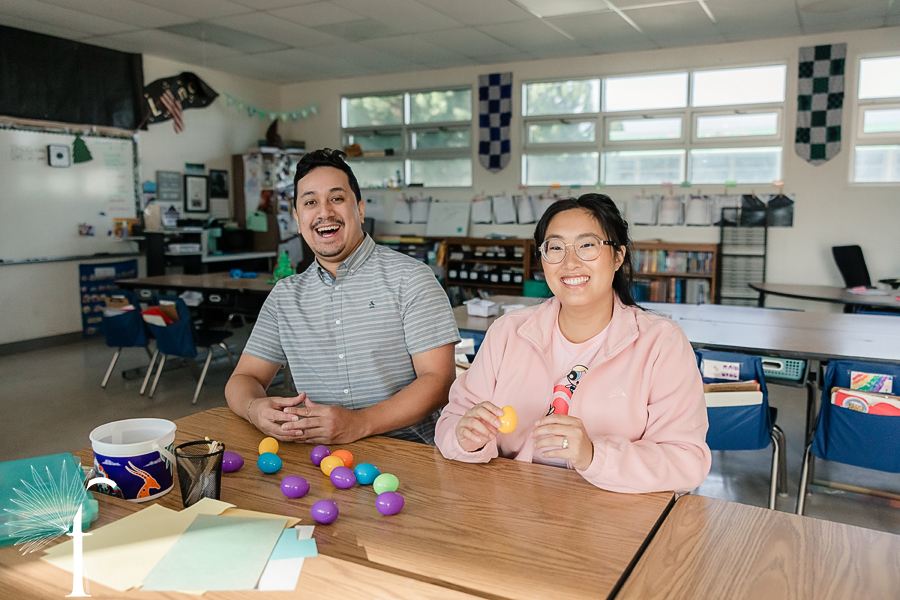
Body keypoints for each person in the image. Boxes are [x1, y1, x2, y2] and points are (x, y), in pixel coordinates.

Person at [435, 194, 710, 493]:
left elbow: (686, 461)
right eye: (555, 248)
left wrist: (593, 455)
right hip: (513, 509)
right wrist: (465, 439)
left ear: (618, 256)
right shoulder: (508, 332)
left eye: (587, 245)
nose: (570, 262)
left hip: (612, 517)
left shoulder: (661, 343)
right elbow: (453, 418)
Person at [226, 148, 459, 445]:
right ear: (298, 219)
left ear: (359, 210)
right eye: (310, 202)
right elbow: (244, 379)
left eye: (336, 198)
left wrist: (360, 423)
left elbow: (439, 380)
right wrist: (253, 407)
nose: (324, 212)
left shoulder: (411, 279)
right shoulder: (285, 296)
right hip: (318, 456)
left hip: (408, 455)